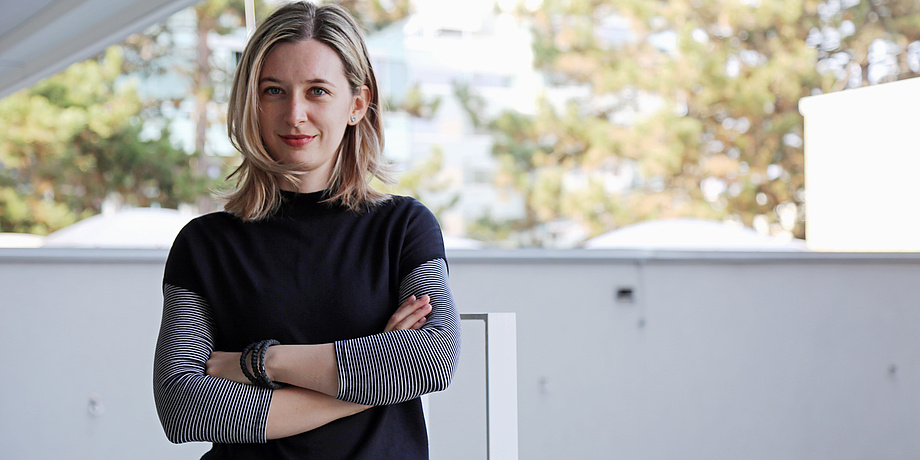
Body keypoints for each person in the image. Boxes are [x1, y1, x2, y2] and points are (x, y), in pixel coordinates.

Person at [152, 2, 461, 459]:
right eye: (274, 90)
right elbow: (184, 408)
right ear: (251, 103)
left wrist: (256, 362)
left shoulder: (403, 227)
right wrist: (368, 384)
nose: (294, 114)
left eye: (317, 91)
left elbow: (428, 360)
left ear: (357, 104)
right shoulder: (205, 244)